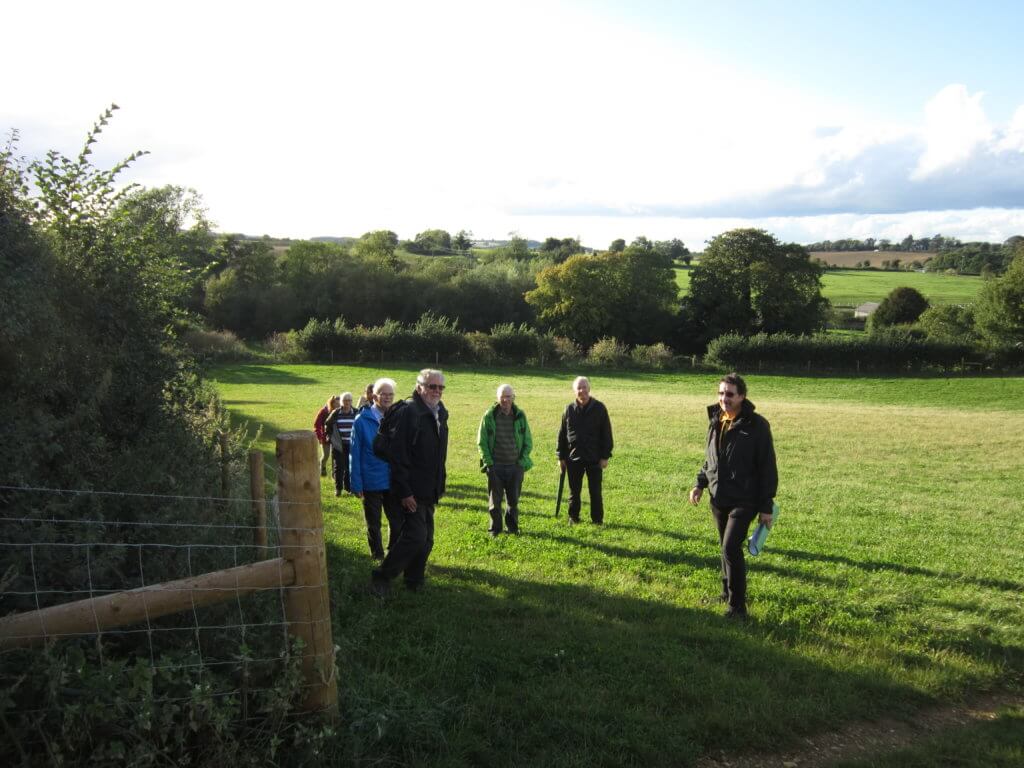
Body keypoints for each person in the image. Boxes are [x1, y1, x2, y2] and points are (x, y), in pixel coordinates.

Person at [689, 372, 778, 620]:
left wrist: (766, 506)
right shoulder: (716, 420)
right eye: (720, 393)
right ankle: (726, 592)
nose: (723, 398)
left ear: (742, 396)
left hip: (745, 499)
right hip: (719, 497)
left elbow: (767, 467)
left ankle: (738, 607)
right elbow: (710, 459)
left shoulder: (757, 426)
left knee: (730, 547)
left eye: (729, 394)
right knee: (724, 547)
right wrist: (699, 484)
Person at [370, 368, 449, 596]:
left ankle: (414, 581)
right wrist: (405, 492)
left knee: (426, 540)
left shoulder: (439, 413)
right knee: (415, 536)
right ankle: (382, 577)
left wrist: (438, 485)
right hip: (409, 489)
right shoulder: (410, 413)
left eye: (440, 387)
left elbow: (438, 455)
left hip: (428, 488)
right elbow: (398, 456)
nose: (436, 391)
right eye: (431, 386)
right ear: (419, 387)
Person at [477, 383, 533, 536]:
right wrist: (489, 464)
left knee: (513, 501)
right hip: (496, 467)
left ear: (513, 398)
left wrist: (521, 463)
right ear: (498, 398)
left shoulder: (520, 416)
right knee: (495, 502)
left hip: (515, 467)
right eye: (502, 397)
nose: (505, 400)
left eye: (508, 397)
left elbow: (528, 441)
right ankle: (495, 529)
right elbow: (481, 442)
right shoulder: (489, 416)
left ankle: (513, 528)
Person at [349, 378, 396, 559]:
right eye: (383, 394)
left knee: (397, 521)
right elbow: (355, 453)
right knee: (374, 523)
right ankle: (377, 555)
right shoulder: (361, 421)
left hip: (393, 480)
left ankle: (393, 552)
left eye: (390, 394)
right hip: (371, 481)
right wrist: (356, 484)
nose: (387, 397)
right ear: (374, 396)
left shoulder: (396, 417)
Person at [556, 376, 613, 525]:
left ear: (589, 388)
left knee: (595, 492)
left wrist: (605, 456)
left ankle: (597, 520)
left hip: (595, 458)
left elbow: (607, 434)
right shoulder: (569, 409)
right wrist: (561, 457)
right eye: (579, 388)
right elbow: (562, 434)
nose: (582, 391)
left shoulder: (599, 408)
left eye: (585, 387)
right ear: (575, 391)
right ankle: (573, 518)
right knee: (574, 492)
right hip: (573, 458)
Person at [324, 392, 356, 495]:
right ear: (342, 402)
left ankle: (349, 488)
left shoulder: (356, 412)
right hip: (338, 445)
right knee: (339, 467)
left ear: (351, 401)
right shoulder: (336, 413)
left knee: (349, 466)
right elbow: (327, 425)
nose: (347, 402)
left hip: (352, 444)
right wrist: (330, 438)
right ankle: (338, 489)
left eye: (349, 400)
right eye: (345, 400)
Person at [313, 395, 339, 477]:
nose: (338, 405)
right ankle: (322, 466)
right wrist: (320, 436)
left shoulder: (339, 411)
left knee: (335, 456)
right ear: (332, 403)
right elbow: (316, 425)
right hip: (325, 437)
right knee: (326, 455)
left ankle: (334, 473)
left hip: (336, 437)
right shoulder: (324, 411)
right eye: (336, 404)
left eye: (339, 404)